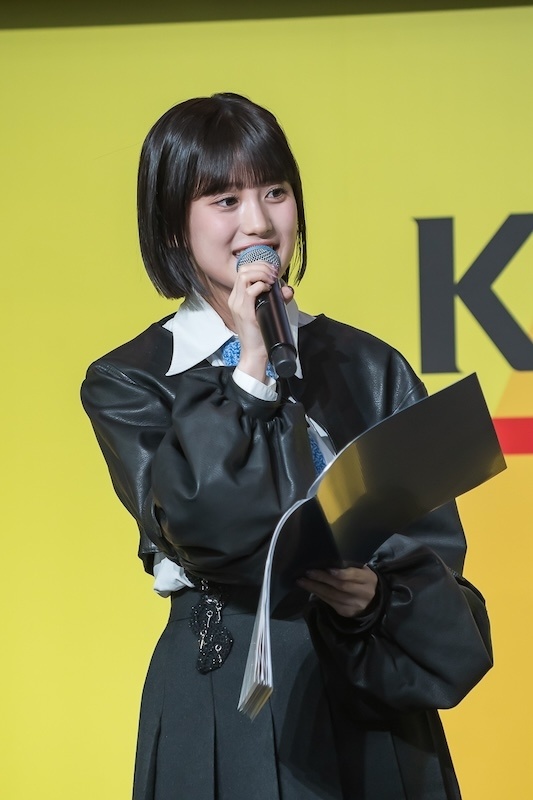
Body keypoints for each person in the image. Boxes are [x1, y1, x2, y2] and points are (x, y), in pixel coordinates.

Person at [81, 93, 493, 800]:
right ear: (173, 225)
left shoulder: (370, 365)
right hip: (224, 703)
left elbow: (438, 562)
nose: (259, 222)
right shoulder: (131, 380)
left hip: (368, 697)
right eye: (225, 199)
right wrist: (248, 371)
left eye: (275, 191)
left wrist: (375, 598)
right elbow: (209, 528)